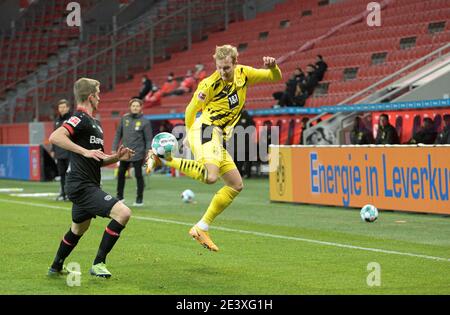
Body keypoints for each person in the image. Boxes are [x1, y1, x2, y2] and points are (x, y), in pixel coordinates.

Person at [146, 45, 282, 251]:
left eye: (226, 68)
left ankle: (202, 227)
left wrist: (273, 67)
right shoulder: (208, 84)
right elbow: (191, 110)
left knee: (236, 185)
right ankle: (165, 159)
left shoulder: (243, 74)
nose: (222, 72)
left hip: (218, 138)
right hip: (205, 130)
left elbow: (274, 78)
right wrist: (189, 133)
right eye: (219, 67)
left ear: (235, 64)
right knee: (211, 177)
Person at [47, 78, 135, 278]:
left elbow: (97, 159)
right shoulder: (79, 118)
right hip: (81, 185)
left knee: (78, 229)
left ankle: (56, 266)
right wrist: (84, 151)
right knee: (123, 213)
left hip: (87, 183)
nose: (100, 97)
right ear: (91, 97)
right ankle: (98, 263)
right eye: (99, 93)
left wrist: (116, 157)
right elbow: (55, 137)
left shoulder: (95, 124)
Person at [112, 98, 152, 206]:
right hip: (124, 153)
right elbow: (118, 134)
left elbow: (148, 139)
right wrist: (113, 148)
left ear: (141, 108)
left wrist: (148, 152)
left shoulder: (145, 121)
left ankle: (139, 199)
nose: (135, 108)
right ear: (130, 107)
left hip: (138, 153)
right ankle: (119, 197)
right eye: (133, 106)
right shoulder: (124, 119)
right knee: (121, 174)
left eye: (137, 106)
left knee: (138, 175)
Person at [51, 99, 72, 201]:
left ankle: (70, 193)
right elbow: (54, 136)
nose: (62, 109)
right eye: (60, 107)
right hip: (59, 152)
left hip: (69, 152)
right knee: (62, 174)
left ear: (68, 108)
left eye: (64, 107)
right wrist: (53, 149)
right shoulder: (56, 121)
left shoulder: (72, 119)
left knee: (70, 174)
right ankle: (63, 193)